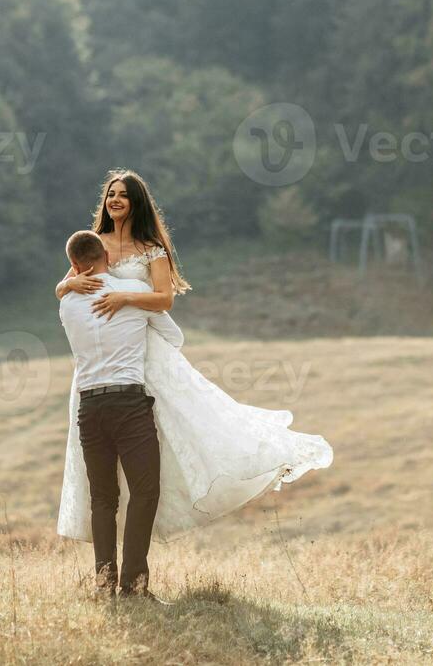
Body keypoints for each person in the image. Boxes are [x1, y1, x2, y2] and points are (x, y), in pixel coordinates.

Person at [55, 171, 334, 596]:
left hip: (134, 358)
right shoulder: (95, 245)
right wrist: (67, 283)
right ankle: (126, 583)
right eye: (110, 194)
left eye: (123, 196)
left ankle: (116, 581)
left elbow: (163, 299)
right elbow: (69, 286)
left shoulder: (150, 251)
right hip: (110, 369)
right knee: (122, 486)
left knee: (153, 462)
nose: (115, 200)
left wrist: (127, 296)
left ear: (137, 203)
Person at [57, 228, 181, 600]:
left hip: (89, 407)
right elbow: (174, 338)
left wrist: (66, 287)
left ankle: (104, 584)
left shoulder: (66, 304)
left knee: (102, 498)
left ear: (74, 266)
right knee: (144, 492)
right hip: (128, 402)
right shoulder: (139, 295)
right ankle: (133, 585)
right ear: (107, 257)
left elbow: (65, 294)